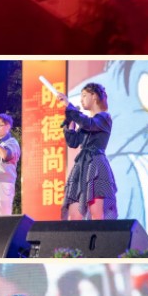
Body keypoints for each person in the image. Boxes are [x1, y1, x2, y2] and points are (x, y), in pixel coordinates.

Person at [56, 83, 118, 221]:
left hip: (96, 164)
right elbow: (73, 142)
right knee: (74, 215)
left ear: (94, 96)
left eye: (84, 95)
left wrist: (69, 106)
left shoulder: (104, 118)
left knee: (97, 214)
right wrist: (69, 125)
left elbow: (88, 124)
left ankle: (99, 236)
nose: (81, 99)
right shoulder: (87, 123)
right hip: (81, 165)